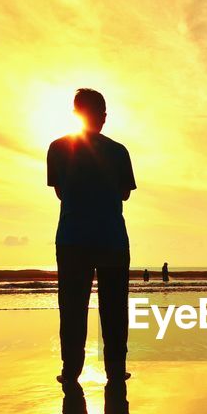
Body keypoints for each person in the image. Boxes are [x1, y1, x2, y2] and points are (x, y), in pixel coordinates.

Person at [48, 88, 135, 386]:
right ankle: (114, 368)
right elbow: (124, 194)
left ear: (75, 114)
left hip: (73, 239)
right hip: (111, 239)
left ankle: (71, 370)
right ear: (104, 117)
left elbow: (60, 192)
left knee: (72, 307)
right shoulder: (119, 151)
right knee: (114, 309)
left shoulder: (58, 147)